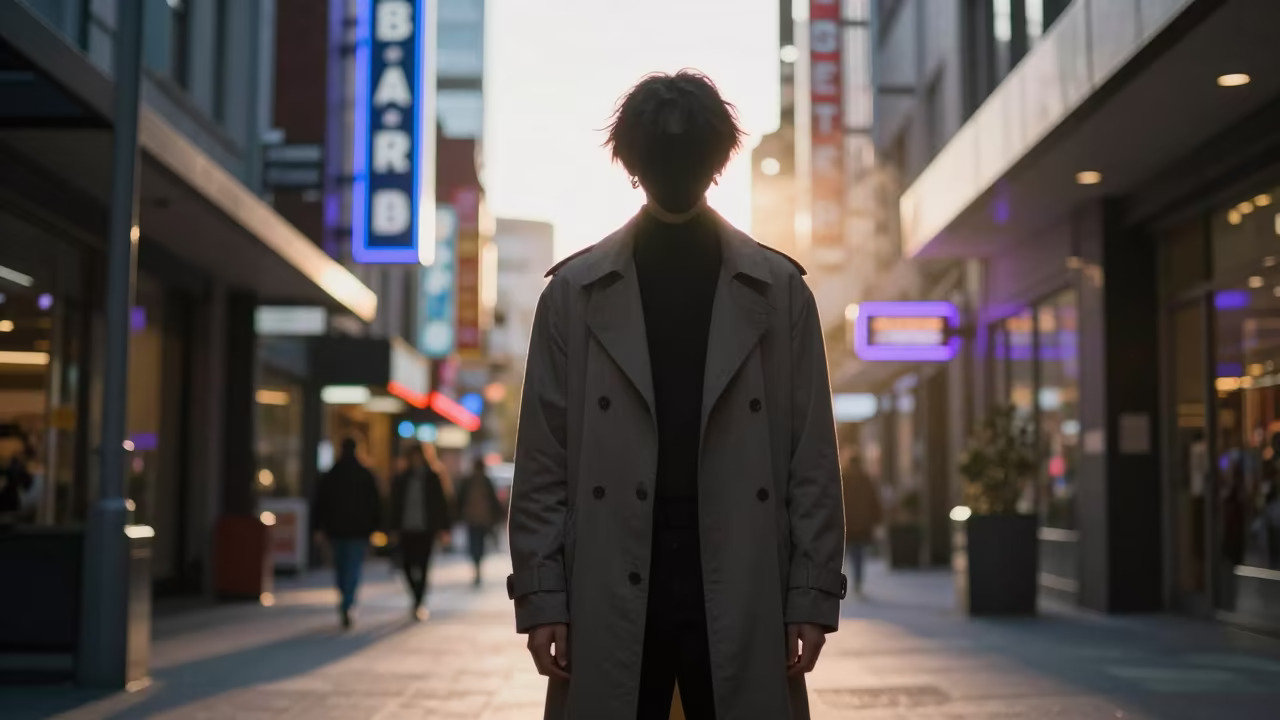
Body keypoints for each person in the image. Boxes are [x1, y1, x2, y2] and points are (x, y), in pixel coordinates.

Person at [507, 71, 846, 720]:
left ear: (717, 161)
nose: (674, 169)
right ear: (632, 163)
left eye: (690, 153)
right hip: (611, 564)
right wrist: (542, 598)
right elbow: (542, 462)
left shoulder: (778, 292)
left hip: (742, 563)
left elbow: (812, 460)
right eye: (659, 154)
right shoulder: (574, 294)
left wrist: (810, 594)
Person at [312, 437, 382, 629]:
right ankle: (348, 601)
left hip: (336, 530)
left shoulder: (332, 473)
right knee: (353, 566)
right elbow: (375, 504)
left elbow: (320, 503)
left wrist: (318, 528)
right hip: (358, 530)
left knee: (341, 566)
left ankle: (345, 598)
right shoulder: (365, 474)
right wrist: (376, 528)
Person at [389, 443, 450, 619]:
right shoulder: (402, 478)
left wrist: (444, 528)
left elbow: (441, 504)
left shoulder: (432, 477)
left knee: (423, 565)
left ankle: (419, 601)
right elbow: (394, 505)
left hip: (426, 529)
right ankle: (416, 596)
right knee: (406, 565)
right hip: (406, 528)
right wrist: (392, 528)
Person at [840, 437, 882, 596]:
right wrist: (876, 519)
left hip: (846, 524)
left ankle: (840, 583)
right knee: (858, 555)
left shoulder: (843, 478)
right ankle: (857, 583)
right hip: (862, 524)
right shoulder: (865, 479)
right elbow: (874, 500)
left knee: (842, 555)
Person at [457, 458, 504, 586]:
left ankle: (476, 565)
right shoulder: (485, 481)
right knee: (480, 544)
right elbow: (493, 500)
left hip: (472, 518)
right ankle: (477, 565)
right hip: (483, 519)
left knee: (474, 543)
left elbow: (460, 499)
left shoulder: (469, 481)